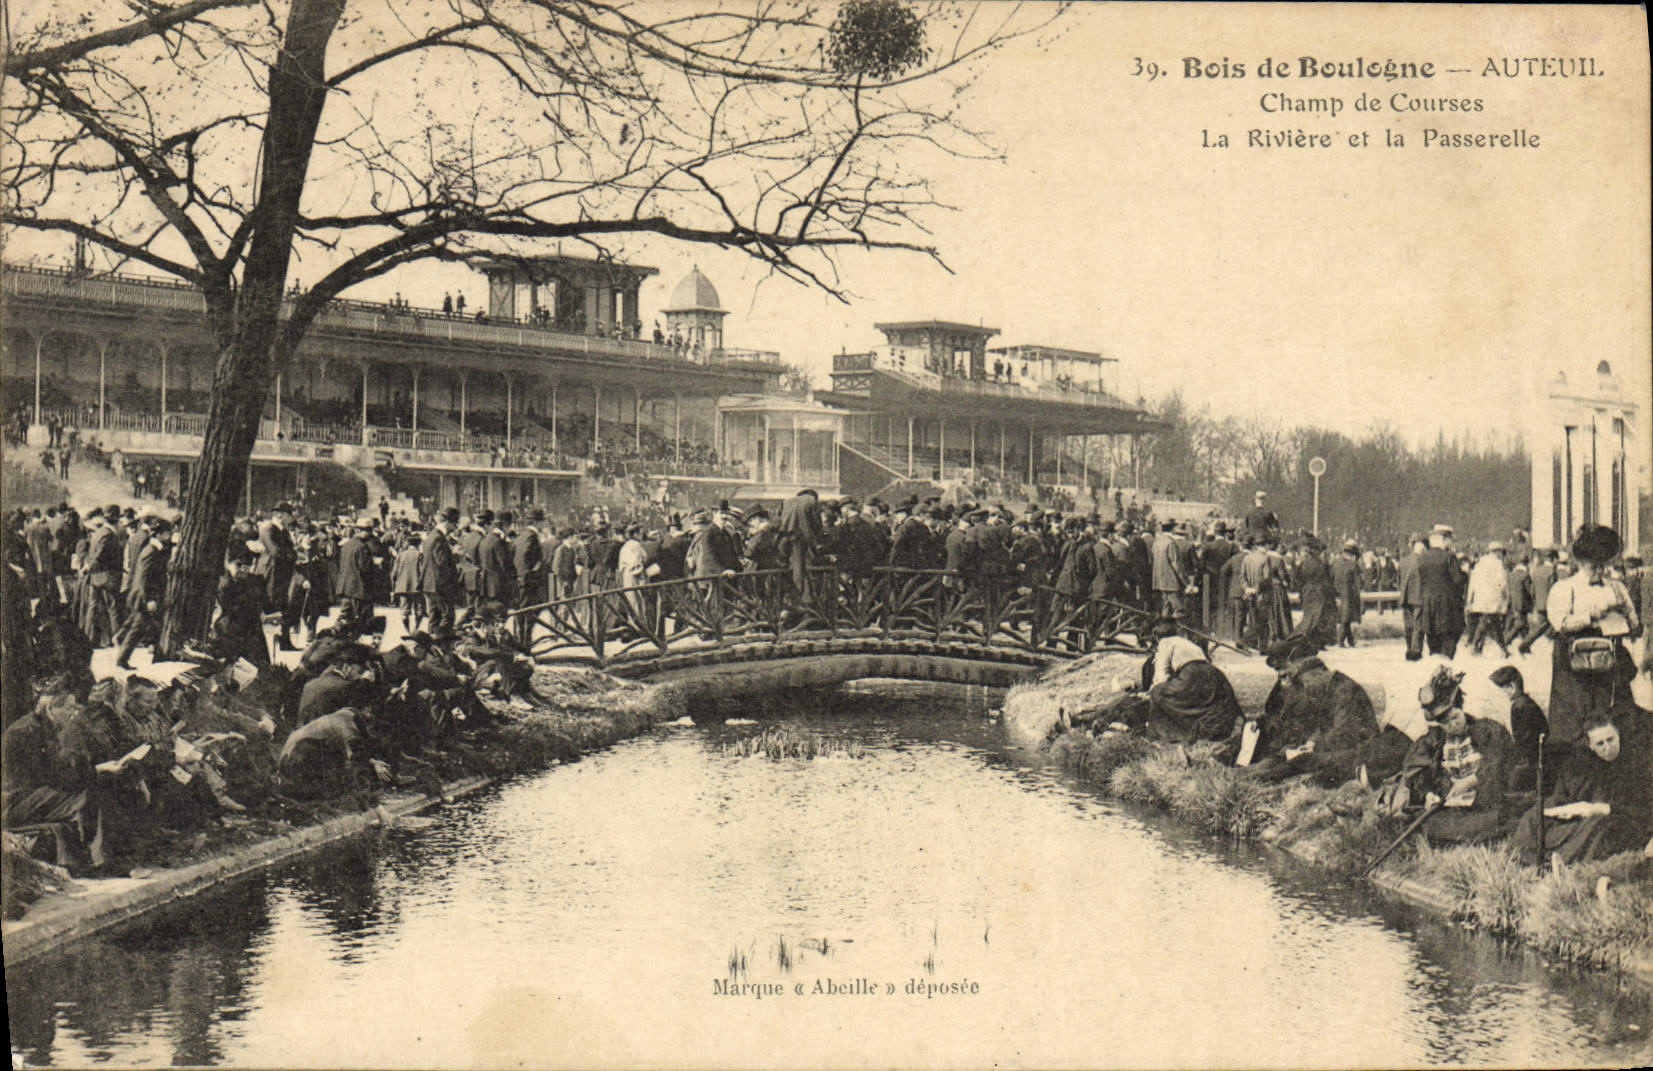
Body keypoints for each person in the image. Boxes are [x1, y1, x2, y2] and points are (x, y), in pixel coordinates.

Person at [1510, 708, 1652, 866]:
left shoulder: (1636, 761)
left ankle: (1559, 860)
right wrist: (1564, 807)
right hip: (1582, 814)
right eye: (1600, 743)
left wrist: (1601, 808)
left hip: (1621, 819)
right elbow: (1566, 794)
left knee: (1598, 825)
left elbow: (1641, 807)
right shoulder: (1585, 762)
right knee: (1535, 814)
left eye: (1611, 739)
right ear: (1591, 745)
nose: (1607, 747)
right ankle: (1526, 854)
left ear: (1618, 734)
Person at [1544, 523, 1640, 753]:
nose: (1598, 571)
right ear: (1579, 563)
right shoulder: (1565, 588)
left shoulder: (1616, 587)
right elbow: (1561, 624)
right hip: (1575, 663)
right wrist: (1591, 616)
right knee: (1576, 717)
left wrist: (1627, 615)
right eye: (1592, 566)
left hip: (1610, 660)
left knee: (1615, 712)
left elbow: (1634, 623)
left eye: (1602, 566)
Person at [1393, 665, 1515, 846]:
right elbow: (1417, 770)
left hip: (1484, 804)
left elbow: (1498, 762)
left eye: (1454, 717)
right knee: (1425, 821)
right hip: (1453, 808)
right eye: (1444, 722)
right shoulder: (1435, 740)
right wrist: (1428, 794)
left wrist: (1471, 780)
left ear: (1461, 707)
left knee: (1495, 820)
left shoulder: (1487, 730)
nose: (1451, 725)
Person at [1140, 622, 1242, 745]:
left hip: (1191, 674)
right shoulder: (1187, 643)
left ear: (1156, 637)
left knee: (1158, 692)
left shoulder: (1165, 643)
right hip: (1214, 673)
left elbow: (1161, 676)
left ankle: (1180, 730)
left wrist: (1151, 691)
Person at [113, 518, 171, 671]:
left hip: (144, 597)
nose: (168, 536)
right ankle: (122, 658)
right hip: (144, 598)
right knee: (138, 628)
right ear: (159, 534)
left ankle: (119, 642)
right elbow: (143, 578)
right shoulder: (151, 552)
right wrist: (148, 599)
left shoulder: (153, 550)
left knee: (135, 625)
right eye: (166, 533)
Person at [1490, 664, 1549, 792]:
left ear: (1512, 687)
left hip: (1531, 760)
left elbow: (1522, 741)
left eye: (1503, 689)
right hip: (1537, 755)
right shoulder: (1527, 702)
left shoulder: (1519, 706)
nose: (1503, 694)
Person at [1416, 524, 1464, 658]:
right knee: (1449, 641)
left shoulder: (1422, 558)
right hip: (1447, 607)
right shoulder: (1449, 557)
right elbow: (1458, 581)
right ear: (1443, 539)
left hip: (1428, 606)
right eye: (1449, 539)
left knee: (1433, 642)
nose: (1451, 542)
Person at [256, 503, 299, 651]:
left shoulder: (284, 530)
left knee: (284, 605)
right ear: (280, 514)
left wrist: (291, 554)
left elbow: (290, 550)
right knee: (269, 605)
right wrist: (292, 554)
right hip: (270, 572)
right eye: (288, 515)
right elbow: (275, 551)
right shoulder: (267, 528)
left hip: (282, 573)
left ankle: (284, 641)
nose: (290, 518)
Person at [420, 508, 463, 638]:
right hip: (440, 585)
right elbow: (441, 563)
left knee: (434, 616)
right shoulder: (438, 538)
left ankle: (431, 645)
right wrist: (455, 557)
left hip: (430, 584)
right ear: (447, 523)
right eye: (454, 525)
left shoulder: (431, 536)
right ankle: (443, 643)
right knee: (447, 615)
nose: (454, 528)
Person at [1465, 541, 1511, 657]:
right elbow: (1502, 583)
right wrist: (1506, 595)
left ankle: (1503, 649)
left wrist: (1470, 599)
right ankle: (1474, 646)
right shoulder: (1498, 564)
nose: (1501, 554)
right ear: (1497, 552)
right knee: (1485, 621)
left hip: (1480, 598)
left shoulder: (1479, 563)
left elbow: (1473, 582)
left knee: (1494, 623)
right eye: (1500, 552)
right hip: (1492, 598)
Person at [1398, 533, 1426, 660]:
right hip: (1419, 597)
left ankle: (1409, 648)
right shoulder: (1424, 561)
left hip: (1405, 596)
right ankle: (1415, 651)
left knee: (1408, 625)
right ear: (1423, 548)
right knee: (1418, 626)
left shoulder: (1403, 561)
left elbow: (1399, 580)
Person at [1331, 538, 1363, 648]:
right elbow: (1359, 582)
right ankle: (1340, 640)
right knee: (1345, 618)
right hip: (1349, 595)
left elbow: (1331, 578)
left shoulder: (1335, 563)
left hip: (1336, 594)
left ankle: (1350, 640)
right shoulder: (1353, 565)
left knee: (1346, 617)